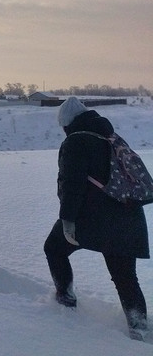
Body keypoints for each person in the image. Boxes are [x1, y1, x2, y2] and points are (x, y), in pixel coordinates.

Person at [44, 96, 149, 341]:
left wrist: (68, 220)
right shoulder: (111, 137)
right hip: (129, 215)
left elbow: (73, 185)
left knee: (54, 248)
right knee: (125, 276)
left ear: (66, 123)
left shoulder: (75, 142)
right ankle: (139, 328)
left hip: (93, 217)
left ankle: (65, 299)